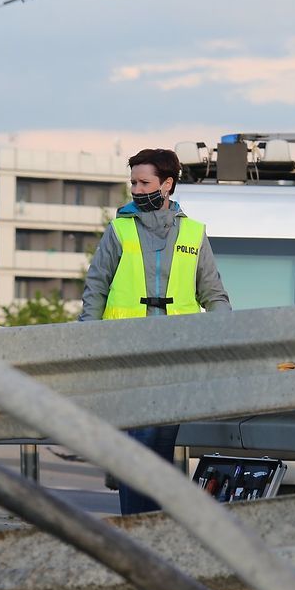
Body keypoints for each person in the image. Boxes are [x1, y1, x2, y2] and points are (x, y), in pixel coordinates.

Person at [79, 148, 231, 514]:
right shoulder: (119, 230)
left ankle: (147, 531)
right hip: (128, 359)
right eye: (133, 182)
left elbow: (213, 294)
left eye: (144, 182)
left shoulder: (194, 233)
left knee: (159, 455)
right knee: (140, 449)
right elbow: (95, 289)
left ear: (167, 184)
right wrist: (85, 346)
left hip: (176, 362)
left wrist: (228, 341)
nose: (136, 189)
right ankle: (139, 532)